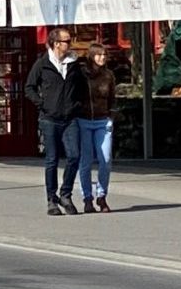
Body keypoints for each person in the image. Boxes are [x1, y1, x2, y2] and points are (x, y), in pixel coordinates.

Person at [25, 28, 84, 216]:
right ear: (56, 43)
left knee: (74, 156)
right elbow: (29, 87)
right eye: (66, 41)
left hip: (70, 118)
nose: (70, 44)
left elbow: (82, 87)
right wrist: (42, 104)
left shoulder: (74, 64)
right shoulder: (42, 64)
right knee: (52, 160)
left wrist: (77, 105)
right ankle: (51, 199)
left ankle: (65, 194)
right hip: (49, 118)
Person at [75, 38, 128, 214]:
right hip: (83, 120)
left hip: (102, 120)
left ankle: (102, 195)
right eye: (98, 55)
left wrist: (111, 116)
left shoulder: (108, 76)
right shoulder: (81, 75)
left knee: (105, 159)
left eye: (104, 55)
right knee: (86, 161)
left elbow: (112, 98)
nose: (102, 57)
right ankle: (87, 198)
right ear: (91, 57)